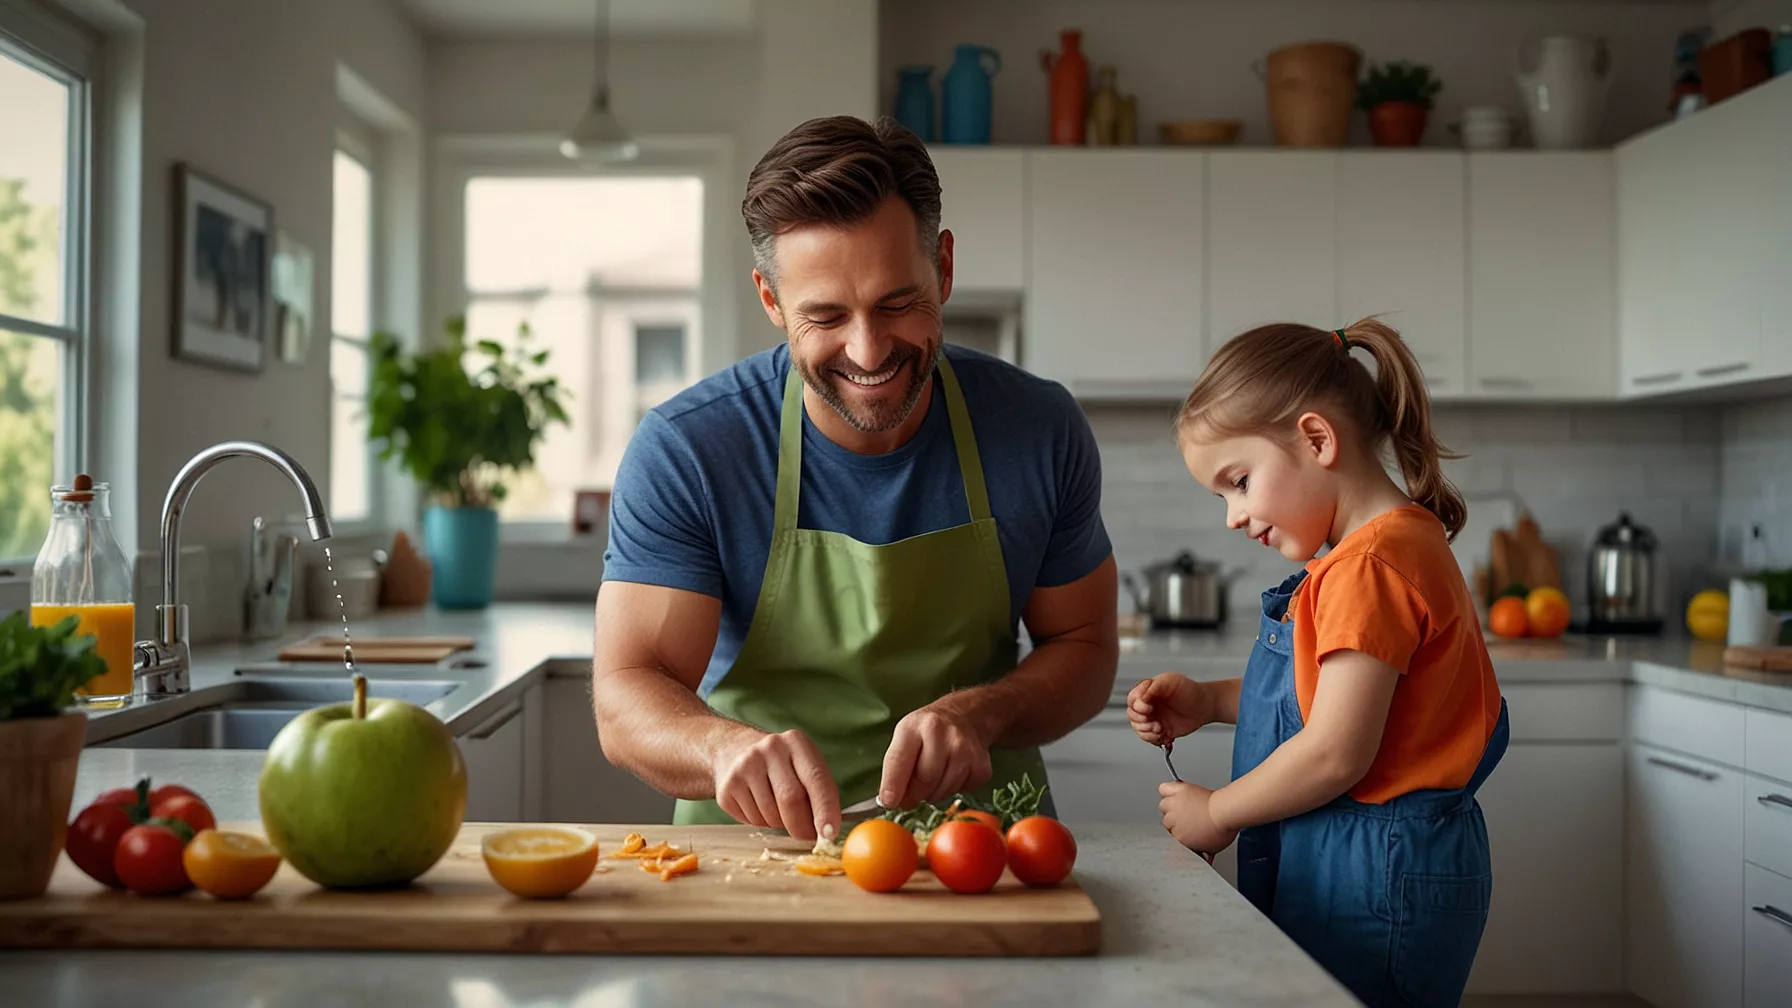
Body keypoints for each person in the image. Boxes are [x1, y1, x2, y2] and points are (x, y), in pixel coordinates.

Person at [592, 115, 1119, 844]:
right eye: (827, 315)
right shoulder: (690, 449)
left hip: (978, 850)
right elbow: (625, 694)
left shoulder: (1038, 428)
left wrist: (981, 714)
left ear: (944, 266)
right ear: (772, 301)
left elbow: (1087, 647)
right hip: (752, 855)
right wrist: (724, 750)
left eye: (898, 303)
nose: (869, 351)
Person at [1128, 319, 1508, 1008]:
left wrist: (1220, 812)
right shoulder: (1374, 552)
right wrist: (1211, 701)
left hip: (1375, 873)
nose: (1232, 517)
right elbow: (1334, 699)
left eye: (1238, 482)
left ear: (1316, 439)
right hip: (1372, 861)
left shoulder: (1369, 566)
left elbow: (1336, 751)